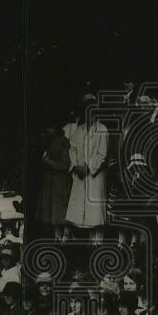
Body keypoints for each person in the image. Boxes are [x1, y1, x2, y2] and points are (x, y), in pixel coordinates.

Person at [65, 92, 109, 244]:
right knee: (81, 210)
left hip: (94, 175)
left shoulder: (102, 129)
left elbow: (102, 154)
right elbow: (72, 149)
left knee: (96, 210)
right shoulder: (79, 130)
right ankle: (90, 243)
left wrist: (88, 167)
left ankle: (99, 242)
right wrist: (76, 165)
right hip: (80, 173)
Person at [36, 122, 71, 240]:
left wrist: (47, 161)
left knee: (61, 209)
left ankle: (66, 236)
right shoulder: (49, 142)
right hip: (51, 182)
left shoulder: (62, 142)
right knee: (53, 211)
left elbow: (65, 165)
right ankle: (57, 236)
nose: (47, 131)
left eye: (50, 128)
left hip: (60, 182)